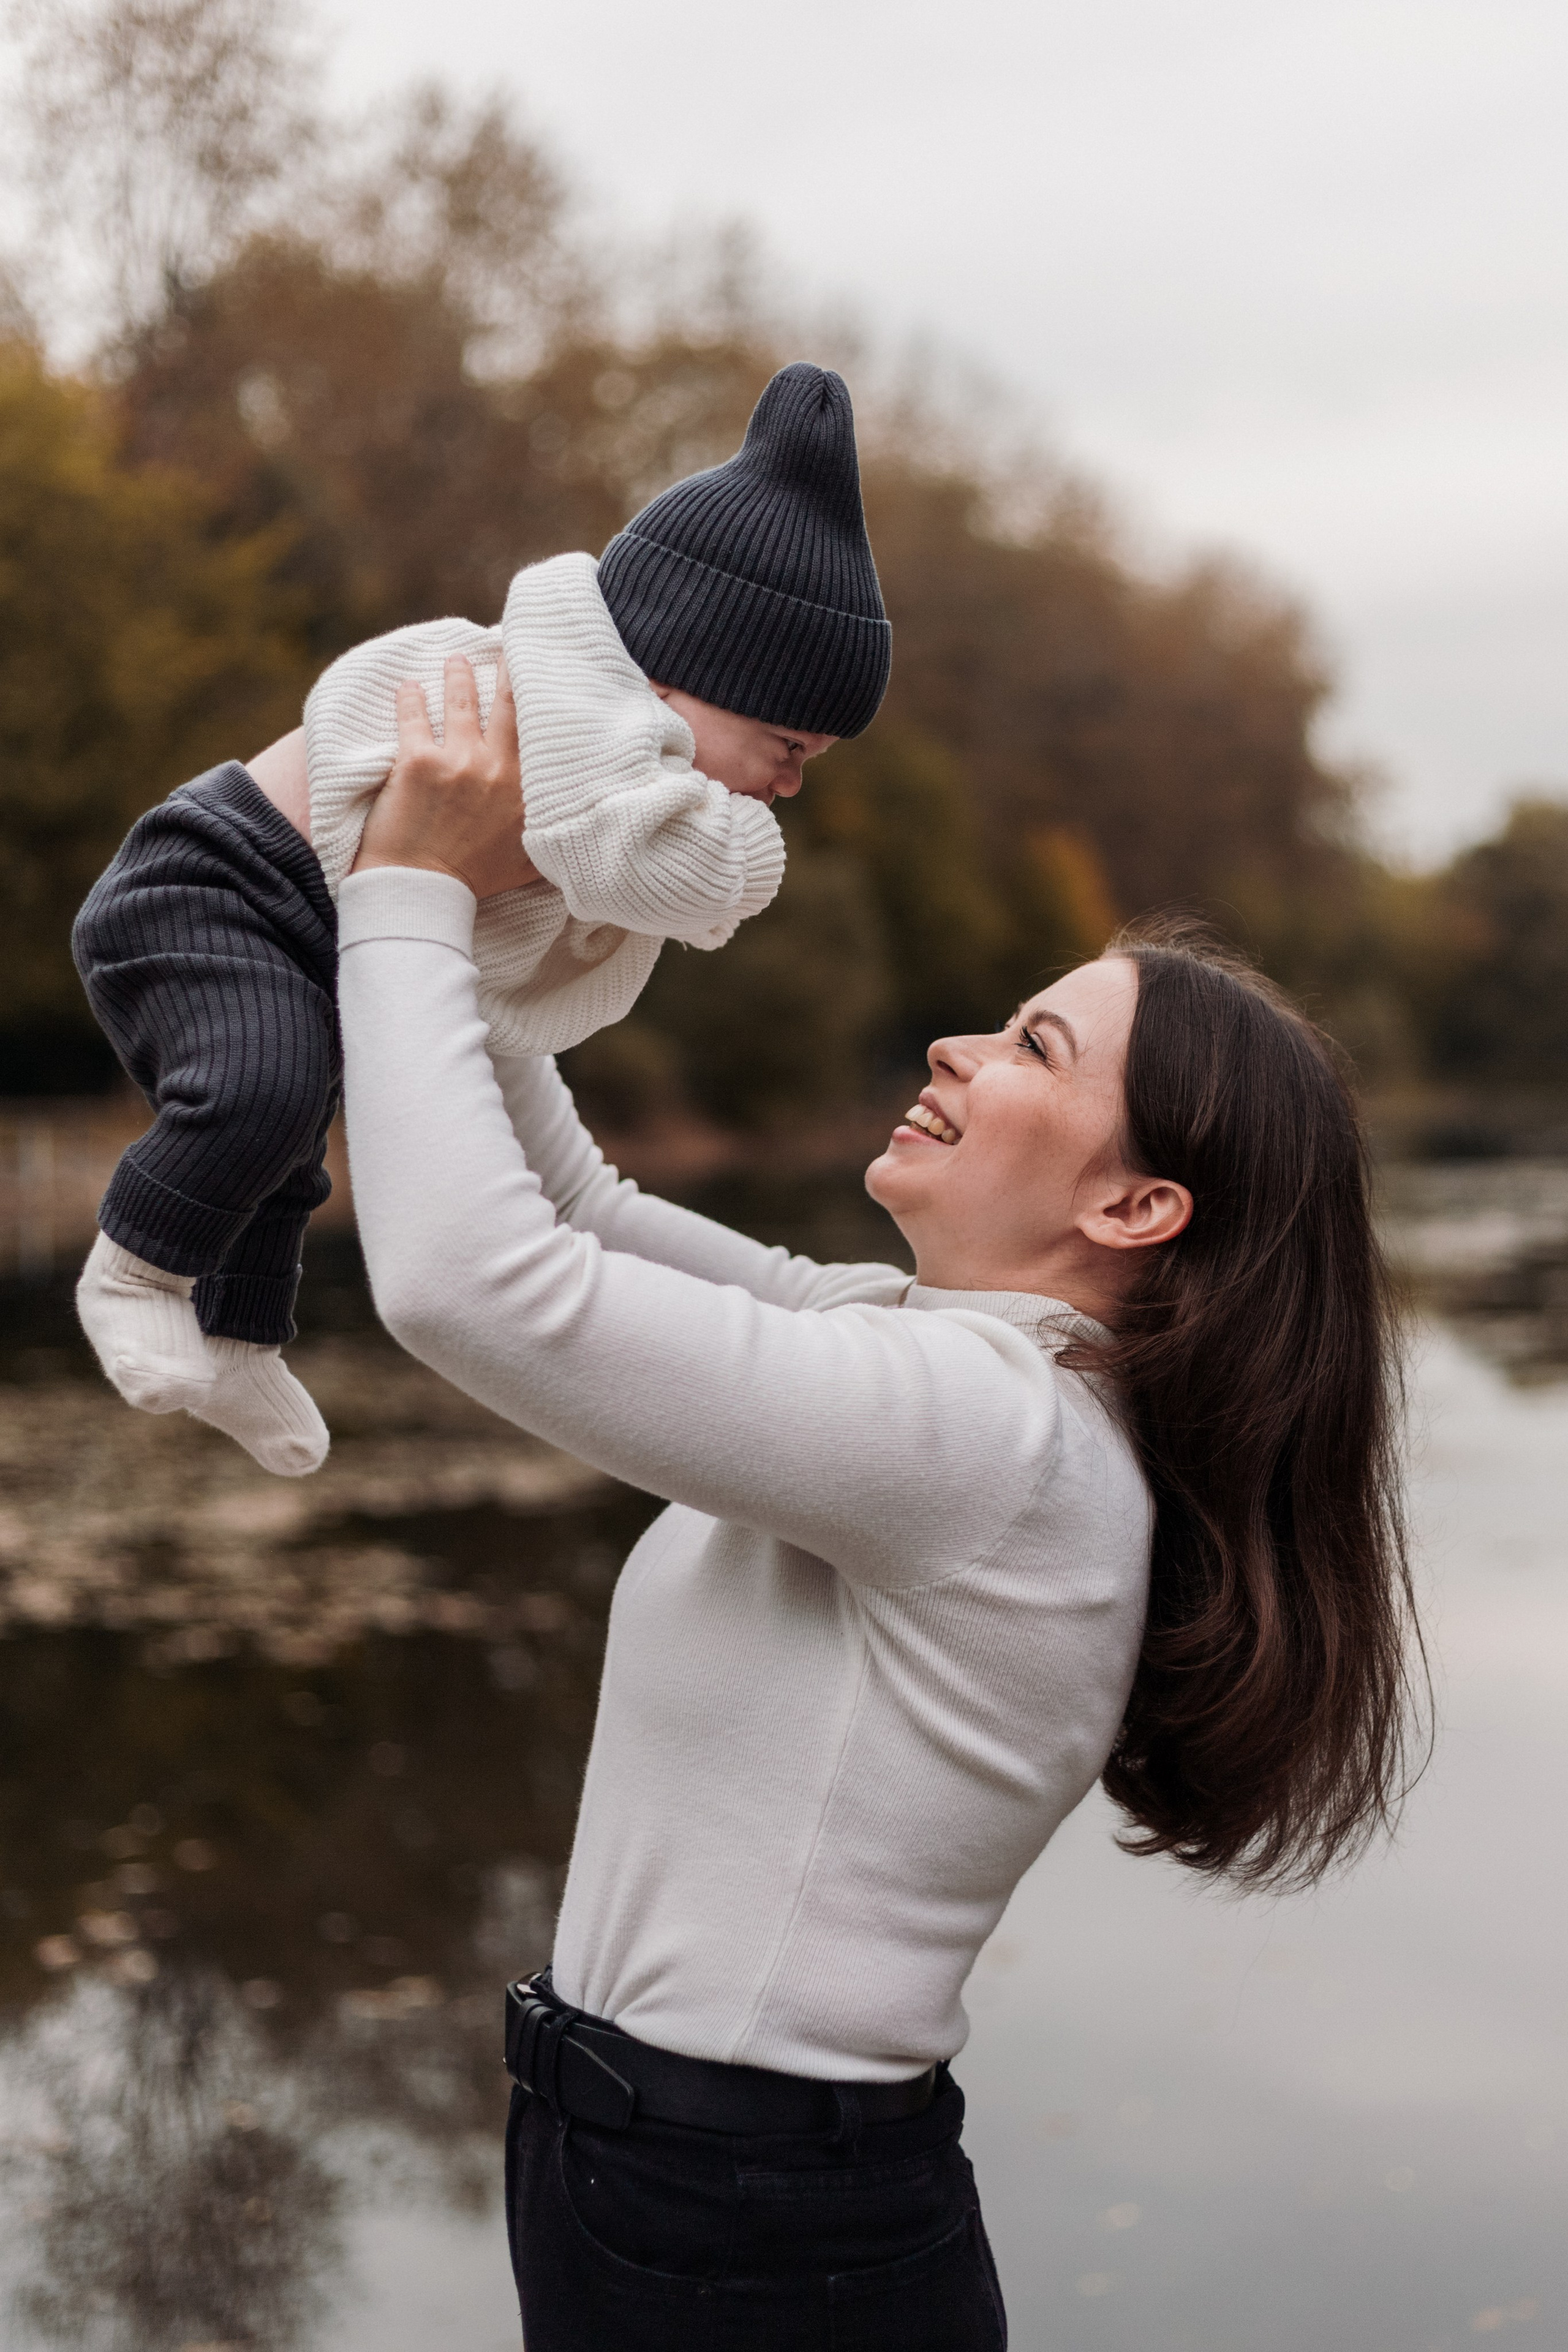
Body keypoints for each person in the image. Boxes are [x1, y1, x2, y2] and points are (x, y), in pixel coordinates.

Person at [330, 672, 1422, 2350]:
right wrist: (462, 919)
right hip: (686, 2177)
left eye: (1032, 1048)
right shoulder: (941, 1362)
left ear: (1136, 1206)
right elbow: (574, 1209)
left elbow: (470, 1282)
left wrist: (408, 894)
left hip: (737, 2215)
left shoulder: (989, 1437)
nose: (954, 1047)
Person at [69, 363, 884, 1475]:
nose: (787, 789)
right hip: (217, 883)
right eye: (787, 750)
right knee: (263, 1092)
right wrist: (748, 846)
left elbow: (573, 1193)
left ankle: (241, 1334)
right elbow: (674, 872)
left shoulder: (599, 726)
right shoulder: (570, 715)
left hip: (307, 923)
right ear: (678, 680)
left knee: (292, 1147)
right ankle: (134, 1270)